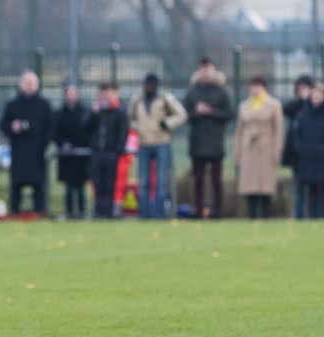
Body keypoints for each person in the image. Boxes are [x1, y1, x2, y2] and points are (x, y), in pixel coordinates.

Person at [128, 72, 188, 218]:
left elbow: (182, 115)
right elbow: (129, 118)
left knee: (161, 181)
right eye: (146, 85)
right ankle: (145, 214)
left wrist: (167, 123)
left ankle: (160, 214)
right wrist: (138, 127)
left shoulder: (165, 98)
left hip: (162, 142)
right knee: (143, 181)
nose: (148, 88)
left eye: (151, 85)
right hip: (144, 143)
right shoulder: (137, 100)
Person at [183, 58, 233, 219]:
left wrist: (210, 111)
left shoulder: (222, 91)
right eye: (203, 69)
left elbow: (229, 114)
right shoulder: (192, 91)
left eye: (208, 69)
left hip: (215, 143)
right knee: (198, 181)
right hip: (197, 143)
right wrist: (197, 112)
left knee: (216, 181)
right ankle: (198, 211)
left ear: (214, 70)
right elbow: (185, 115)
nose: (205, 72)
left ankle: (218, 212)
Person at [0, 70, 53, 217]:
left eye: (32, 83)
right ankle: (14, 211)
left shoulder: (44, 104)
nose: (29, 86)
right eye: (26, 83)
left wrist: (43, 144)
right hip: (18, 150)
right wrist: (12, 127)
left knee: (39, 184)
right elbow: (2, 124)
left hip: (37, 151)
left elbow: (50, 127)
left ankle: (40, 211)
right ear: (20, 84)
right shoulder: (12, 104)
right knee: (16, 184)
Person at [233, 76, 284, 220]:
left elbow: (278, 130)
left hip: (265, 147)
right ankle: (251, 215)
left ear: (264, 88)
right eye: (252, 86)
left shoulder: (273, 105)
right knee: (250, 185)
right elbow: (238, 131)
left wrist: (277, 150)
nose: (254, 89)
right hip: (249, 148)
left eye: (257, 86)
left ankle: (265, 215)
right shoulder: (244, 105)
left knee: (265, 184)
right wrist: (238, 152)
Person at [294, 84, 324, 219]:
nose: (316, 98)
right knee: (311, 188)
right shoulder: (304, 114)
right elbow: (298, 134)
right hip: (308, 157)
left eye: (319, 95)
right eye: (314, 96)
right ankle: (313, 215)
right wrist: (302, 149)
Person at [86, 82, 129, 219]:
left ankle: (109, 210)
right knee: (97, 183)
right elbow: (86, 128)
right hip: (97, 152)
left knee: (110, 183)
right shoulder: (97, 111)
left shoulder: (120, 112)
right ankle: (98, 210)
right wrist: (94, 113)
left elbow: (123, 132)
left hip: (111, 153)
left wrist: (117, 150)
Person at [53, 83, 90, 219]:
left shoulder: (85, 112)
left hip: (81, 156)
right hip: (67, 156)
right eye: (68, 94)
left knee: (81, 187)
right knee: (68, 187)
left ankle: (82, 211)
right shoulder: (59, 113)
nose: (71, 97)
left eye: (73, 93)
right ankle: (69, 212)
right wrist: (63, 144)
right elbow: (55, 132)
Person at [281, 74, 314, 218]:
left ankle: (313, 213)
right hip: (296, 152)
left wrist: (308, 100)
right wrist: (302, 99)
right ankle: (299, 214)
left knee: (312, 186)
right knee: (298, 185)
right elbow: (286, 110)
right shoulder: (296, 104)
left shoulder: (315, 103)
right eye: (299, 89)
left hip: (312, 152)